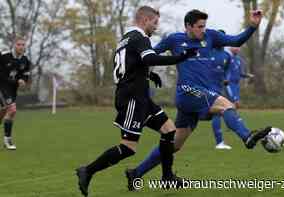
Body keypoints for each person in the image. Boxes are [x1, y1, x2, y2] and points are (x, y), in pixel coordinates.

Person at [125, 9, 271, 190]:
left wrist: (253, 26)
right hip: (187, 92)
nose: (203, 29)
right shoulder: (174, 40)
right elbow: (150, 55)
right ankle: (247, 137)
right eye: (199, 26)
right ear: (188, 26)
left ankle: (135, 173)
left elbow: (236, 41)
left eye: (204, 26)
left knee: (174, 145)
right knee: (227, 105)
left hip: (199, 96)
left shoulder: (211, 36)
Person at [75, 6, 197, 196]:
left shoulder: (126, 39)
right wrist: (180, 57)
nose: (156, 27)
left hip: (139, 95)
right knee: (128, 147)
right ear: (145, 20)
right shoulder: (140, 37)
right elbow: (148, 58)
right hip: (132, 98)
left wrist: (149, 75)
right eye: (155, 23)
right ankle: (87, 171)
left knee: (169, 130)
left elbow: (134, 64)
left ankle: (167, 178)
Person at [211, 47, 254, 150]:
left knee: (230, 108)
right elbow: (224, 74)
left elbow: (239, 73)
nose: (237, 48)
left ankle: (233, 125)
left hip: (235, 85)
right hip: (227, 86)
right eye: (235, 46)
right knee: (222, 109)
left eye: (238, 46)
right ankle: (223, 138)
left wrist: (247, 76)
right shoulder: (223, 57)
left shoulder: (238, 60)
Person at [0, 36, 31, 150]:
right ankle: (7, 141)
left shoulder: (25, 60)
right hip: (2, 86)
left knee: (4, 111)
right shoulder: (4, 56)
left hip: (12, 89)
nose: (21, 47)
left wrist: (23, 80)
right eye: (19, 44)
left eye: (23, 45)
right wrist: (15, 80)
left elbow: (25, 74)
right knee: (12, 110)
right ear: (14, 45)